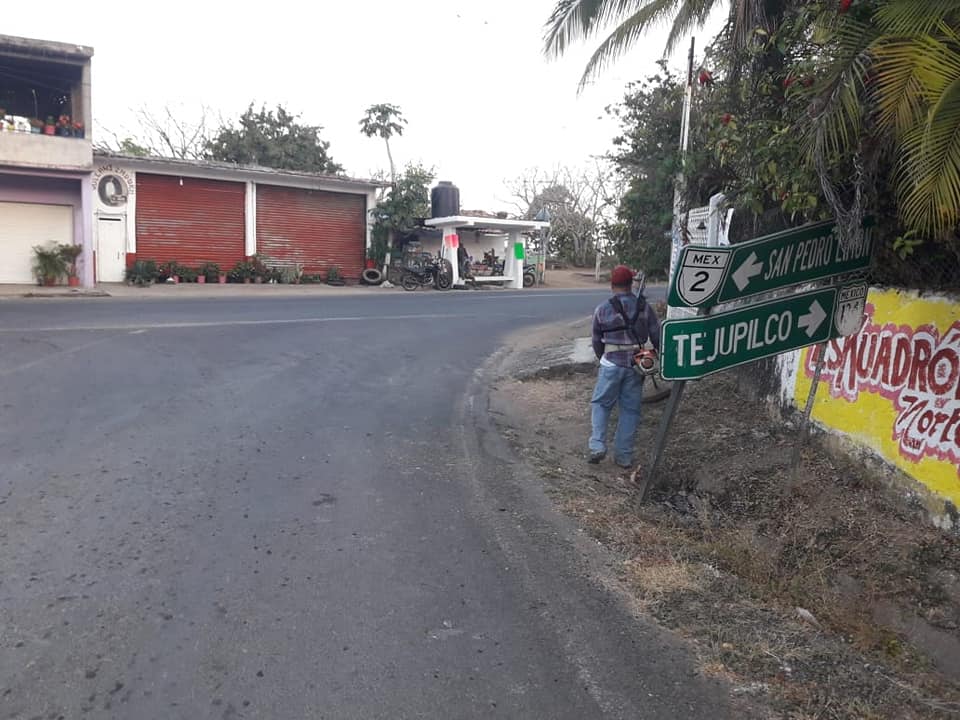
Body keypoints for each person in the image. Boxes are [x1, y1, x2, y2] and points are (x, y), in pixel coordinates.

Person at [588, 264, 661, 468]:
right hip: (637, 364)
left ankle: (597, 446)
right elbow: (657, 336)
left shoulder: (602, 309)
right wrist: (659, 356)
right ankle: (624, 457)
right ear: (630, 284)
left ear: (612, 285)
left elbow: (596, 340)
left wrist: (603, 358)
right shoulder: (644, 307)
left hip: (611, 362)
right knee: (630, 410)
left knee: (601, 404)